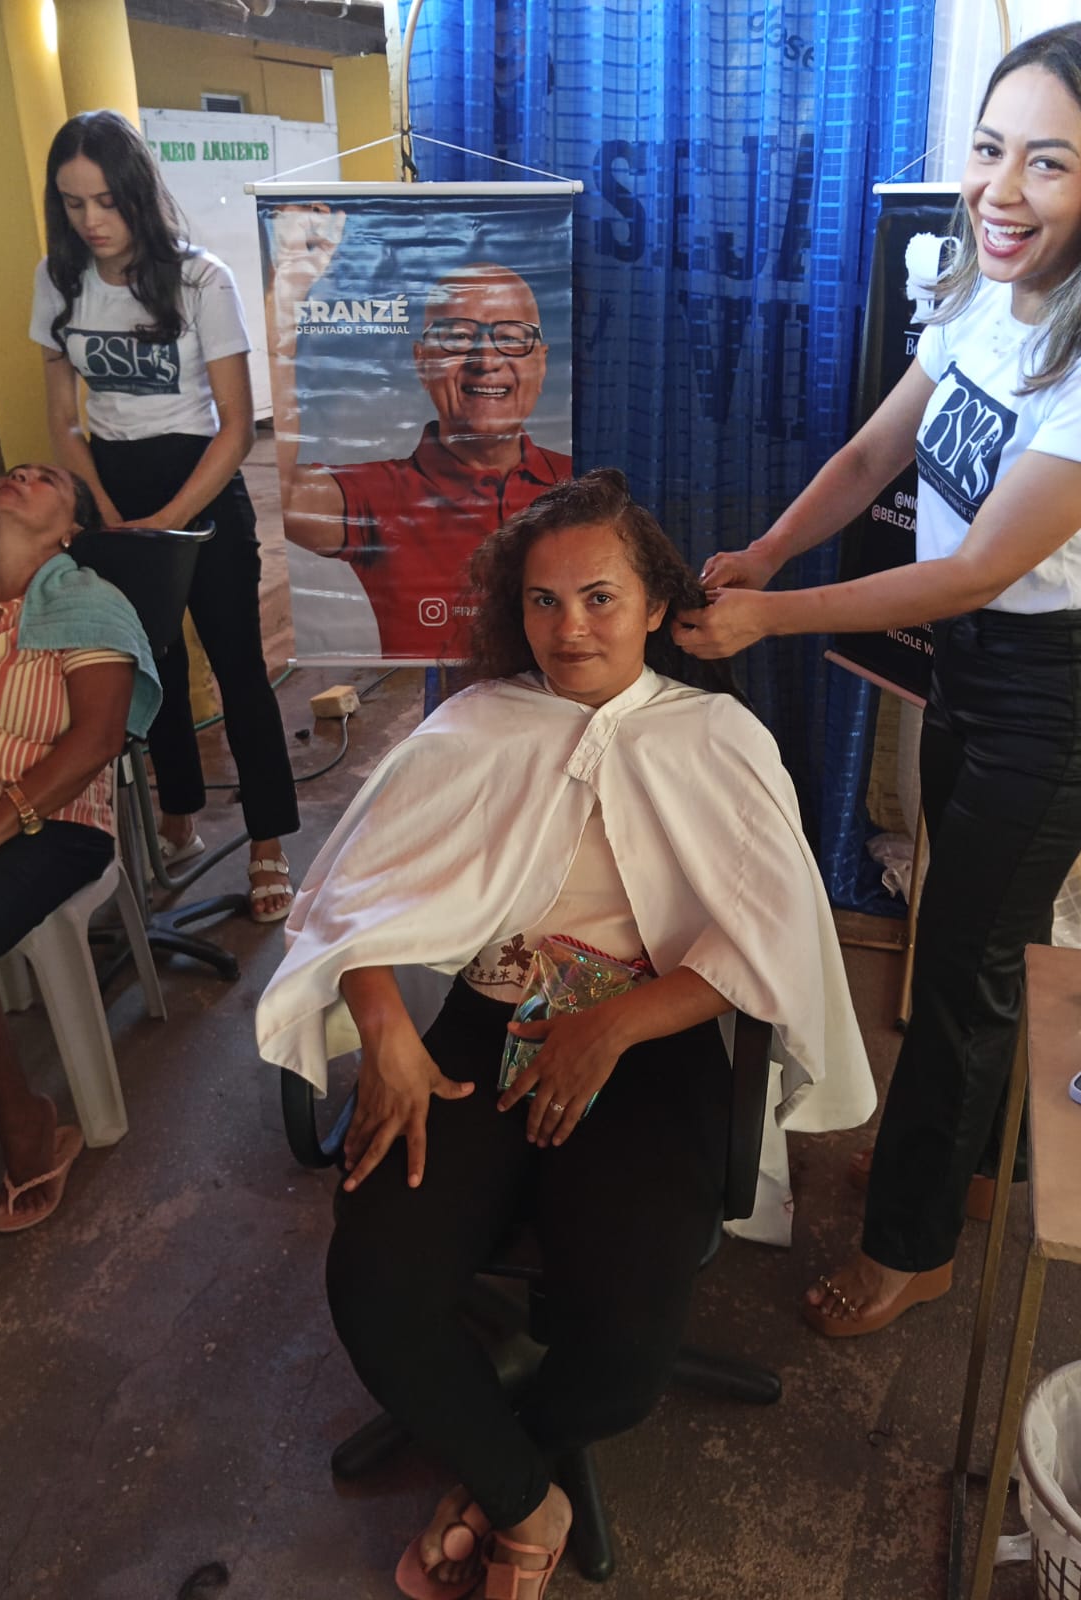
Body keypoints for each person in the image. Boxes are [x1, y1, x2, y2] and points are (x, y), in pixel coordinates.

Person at [256, 469, 874, 1598]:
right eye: (543, 601)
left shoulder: (718, 737)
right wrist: (385, 1026)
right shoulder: (473, 725)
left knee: (624, 1359)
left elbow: (772, 937)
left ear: (655, 605)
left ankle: (492, 1465)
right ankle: (525, 1497)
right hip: (482, 1027)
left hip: (652, 1037)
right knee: (374, 1283)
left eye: (599, 598)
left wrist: (616, 1023)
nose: (570, 627)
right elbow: (346, 901)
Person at [675, 22, 1081, 1336]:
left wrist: (772, 616)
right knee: (978, 956)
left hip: (1051, 703)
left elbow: (972, 571)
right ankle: (974, 1173)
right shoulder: (988, 298)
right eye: (990, 149)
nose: (1001, 189)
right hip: (977, 684)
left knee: (959, 975)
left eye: (1048, 162)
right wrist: (766, 550)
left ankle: (913, 1246)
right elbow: (871, 456)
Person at [30, 109, 298, 924]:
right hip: (108, 480)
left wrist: (168, 521)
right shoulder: (58, 279)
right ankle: (178, 809)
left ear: (137, 194)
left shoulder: (199, 280)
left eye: (106, 201)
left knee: (236, 663)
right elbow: (64, 420)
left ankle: (267, 839)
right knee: (152, 664)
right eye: (73, 202)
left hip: (200, 479)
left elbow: (235, 423)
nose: (91, 220)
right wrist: (106, 509)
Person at [0, 464, 160, 1232]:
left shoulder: (88, 602)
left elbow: (96, 741)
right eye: (16, 471)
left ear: (69, 529)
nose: (21, 475)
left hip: (52, 818)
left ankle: (25, 1114)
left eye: (46, 479)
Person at [267, 218, 572, 659]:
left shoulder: (578, 486)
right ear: (422, 361)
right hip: (436, 698)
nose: (486, 359)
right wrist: (283, 308)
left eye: (511, 338)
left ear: (541, 364)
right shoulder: (379, 497)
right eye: (458, 337)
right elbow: (283, 497)